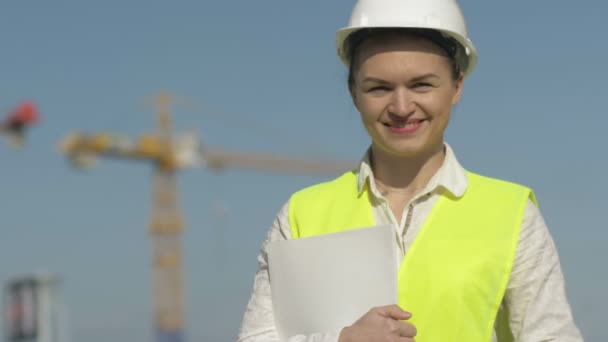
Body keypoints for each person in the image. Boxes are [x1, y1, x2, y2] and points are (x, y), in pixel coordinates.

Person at [238, 0, 583, 341]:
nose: (401, 107)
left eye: (421, 85)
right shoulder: (302, 215)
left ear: (457, 86)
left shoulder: (512, 214)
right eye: (379, 88)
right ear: (353, 93)